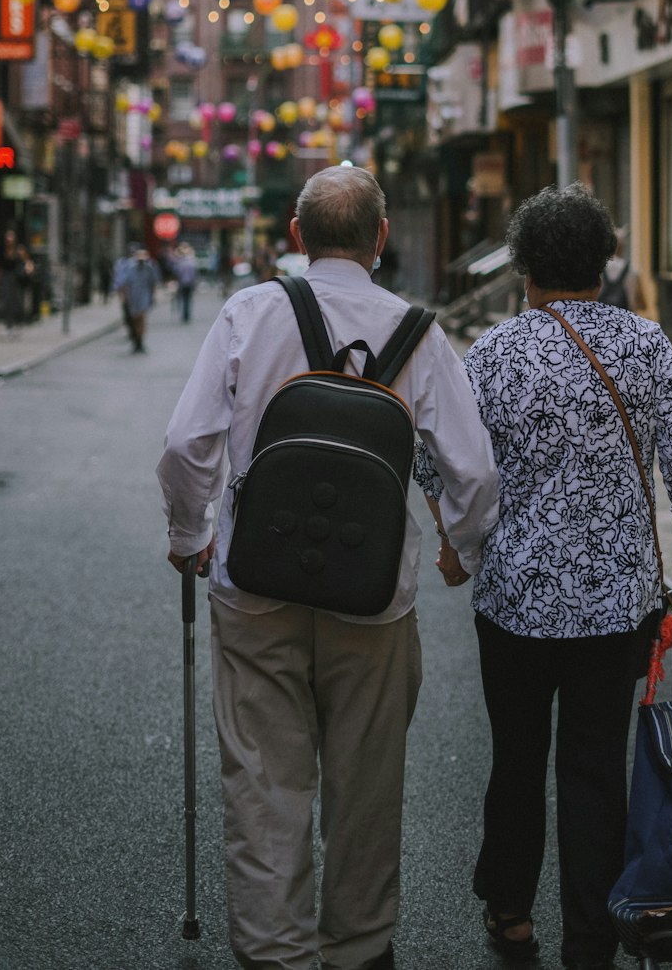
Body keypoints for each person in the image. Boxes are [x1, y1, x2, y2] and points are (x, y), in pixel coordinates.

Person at [155, 165, 500, 970]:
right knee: (366, 788)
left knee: (265, 783)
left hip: (255, 588)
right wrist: (462, 546)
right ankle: (357, 947)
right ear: (381, 240)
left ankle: (276, 953)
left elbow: (185, 445)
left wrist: (188, 534)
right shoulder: (420, 330)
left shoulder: (249, 312)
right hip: (374, 602)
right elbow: (474, 474)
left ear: (295, 236)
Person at [424, 184, 672, 970]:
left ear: (524, 268)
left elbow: (439, 459)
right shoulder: (647, 345)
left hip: (515, 601)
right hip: (616, 605)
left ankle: (511, 911)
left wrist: (454, 548)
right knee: (594, 770)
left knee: (517, 758)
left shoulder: (491, 353)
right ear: (603, 264)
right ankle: (591, 940)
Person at [120, 247, 161, 353]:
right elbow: (125, 284)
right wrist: (124, 297)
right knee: (134, 320)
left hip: (144, 297)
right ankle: (136, 341)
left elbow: (153, 284)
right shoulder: (130, 269)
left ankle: (140, 341)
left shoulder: (149, 269)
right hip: (133, 297)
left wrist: (153, 296)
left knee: (141, 319)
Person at [598, 227, 646, 311]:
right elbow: (642, 303)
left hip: (602, 319)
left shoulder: (598, 268)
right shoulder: (632, 270)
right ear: (622, 247)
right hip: (625, 319)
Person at [172, 243, 198, 323]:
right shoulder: (192, 262)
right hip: (189, 283)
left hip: (182, 283)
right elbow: (194, 274)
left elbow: (176, 272)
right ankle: (187, 315)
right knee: (188, 299)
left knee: (183, 299)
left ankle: (184, 315)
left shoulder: (180, 262)